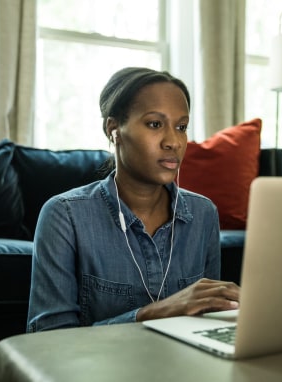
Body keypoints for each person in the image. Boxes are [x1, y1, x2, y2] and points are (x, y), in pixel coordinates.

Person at [27, 67, 240, 332]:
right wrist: (157, 312)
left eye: (181, 127)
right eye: (155, 124)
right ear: (114, 129)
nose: (173, 141)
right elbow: (49, 339)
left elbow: (207, 322)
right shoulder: (65, 216)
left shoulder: (203, 213)